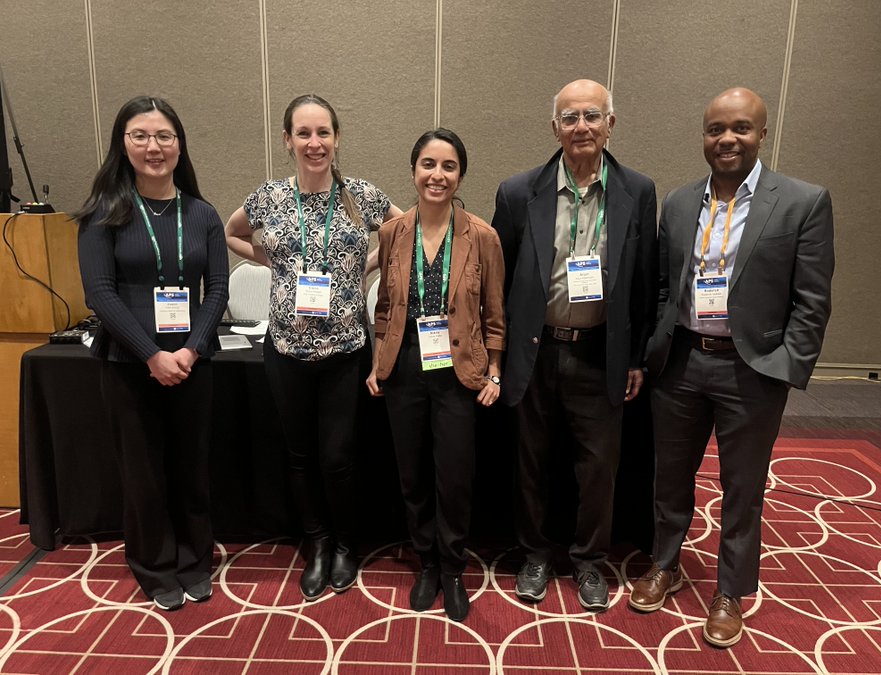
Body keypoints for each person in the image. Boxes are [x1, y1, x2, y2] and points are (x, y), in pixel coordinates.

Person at [629, 88, 834, 647]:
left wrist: (785, 366)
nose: (726, 139)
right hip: (682, 362)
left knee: (742, 486)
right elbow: (667, 288)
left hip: (752, 369)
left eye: (740, 128)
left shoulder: (802, 202)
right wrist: (653, 351)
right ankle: (666, 563)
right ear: (703, 135)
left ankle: (729, 590)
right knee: (669, 476)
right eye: (716, 128)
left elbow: (812, 301)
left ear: (762, 133)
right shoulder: (678, 201)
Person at [225, 94, 403, 601]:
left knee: (339, 456)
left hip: (345, 351)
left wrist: (365, 265)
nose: (314, 142)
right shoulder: (269, 198)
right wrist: (271, 262)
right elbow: (232, 231)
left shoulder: (360, 195)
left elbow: (404, 231)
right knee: (300, 456)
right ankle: (318, 542)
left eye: (323, 132)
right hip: (285, 351)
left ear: (337, 138)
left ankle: (346, 543)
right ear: (287, 141)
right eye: (303, 133)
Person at [492, 79, 658, 610]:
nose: (581, 126)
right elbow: (498, 281)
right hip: (534, 352)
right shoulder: (518, 193)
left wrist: (635, 357)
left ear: (612, 123)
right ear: (555, 127)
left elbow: (645, 281)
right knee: (531, 463)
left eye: (592, 115)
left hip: (599, 352)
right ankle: (535, 555)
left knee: (598, 468)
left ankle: (590, 561)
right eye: (570, 117)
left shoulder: (639, 191)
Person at [76, 96, 229, 611]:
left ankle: (194, 560)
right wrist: (151, 355)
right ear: (123, 144)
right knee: (143, 471)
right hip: (128, 366)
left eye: (164, 136)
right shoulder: (104, 214)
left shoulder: (202, 213)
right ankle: (154, 564)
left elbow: (218, 291)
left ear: (179, 145)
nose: (153, 146)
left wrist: (189, 349)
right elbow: (100, 293)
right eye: (140, 136)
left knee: (192, 467)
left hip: (192, 364)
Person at [366, 129, 505, 622]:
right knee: (412, 475)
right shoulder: (392, 233)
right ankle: (425, 562)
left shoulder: (482, 236)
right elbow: (384, 307)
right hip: (404, 369)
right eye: (428, 164)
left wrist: (495, 369)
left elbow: (494, 313)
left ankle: (452, 567)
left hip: (457, 372)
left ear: (460, 174)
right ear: (413, 171)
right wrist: (378, 361)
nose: (437, 175)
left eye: (448, 166)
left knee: (454, 476)